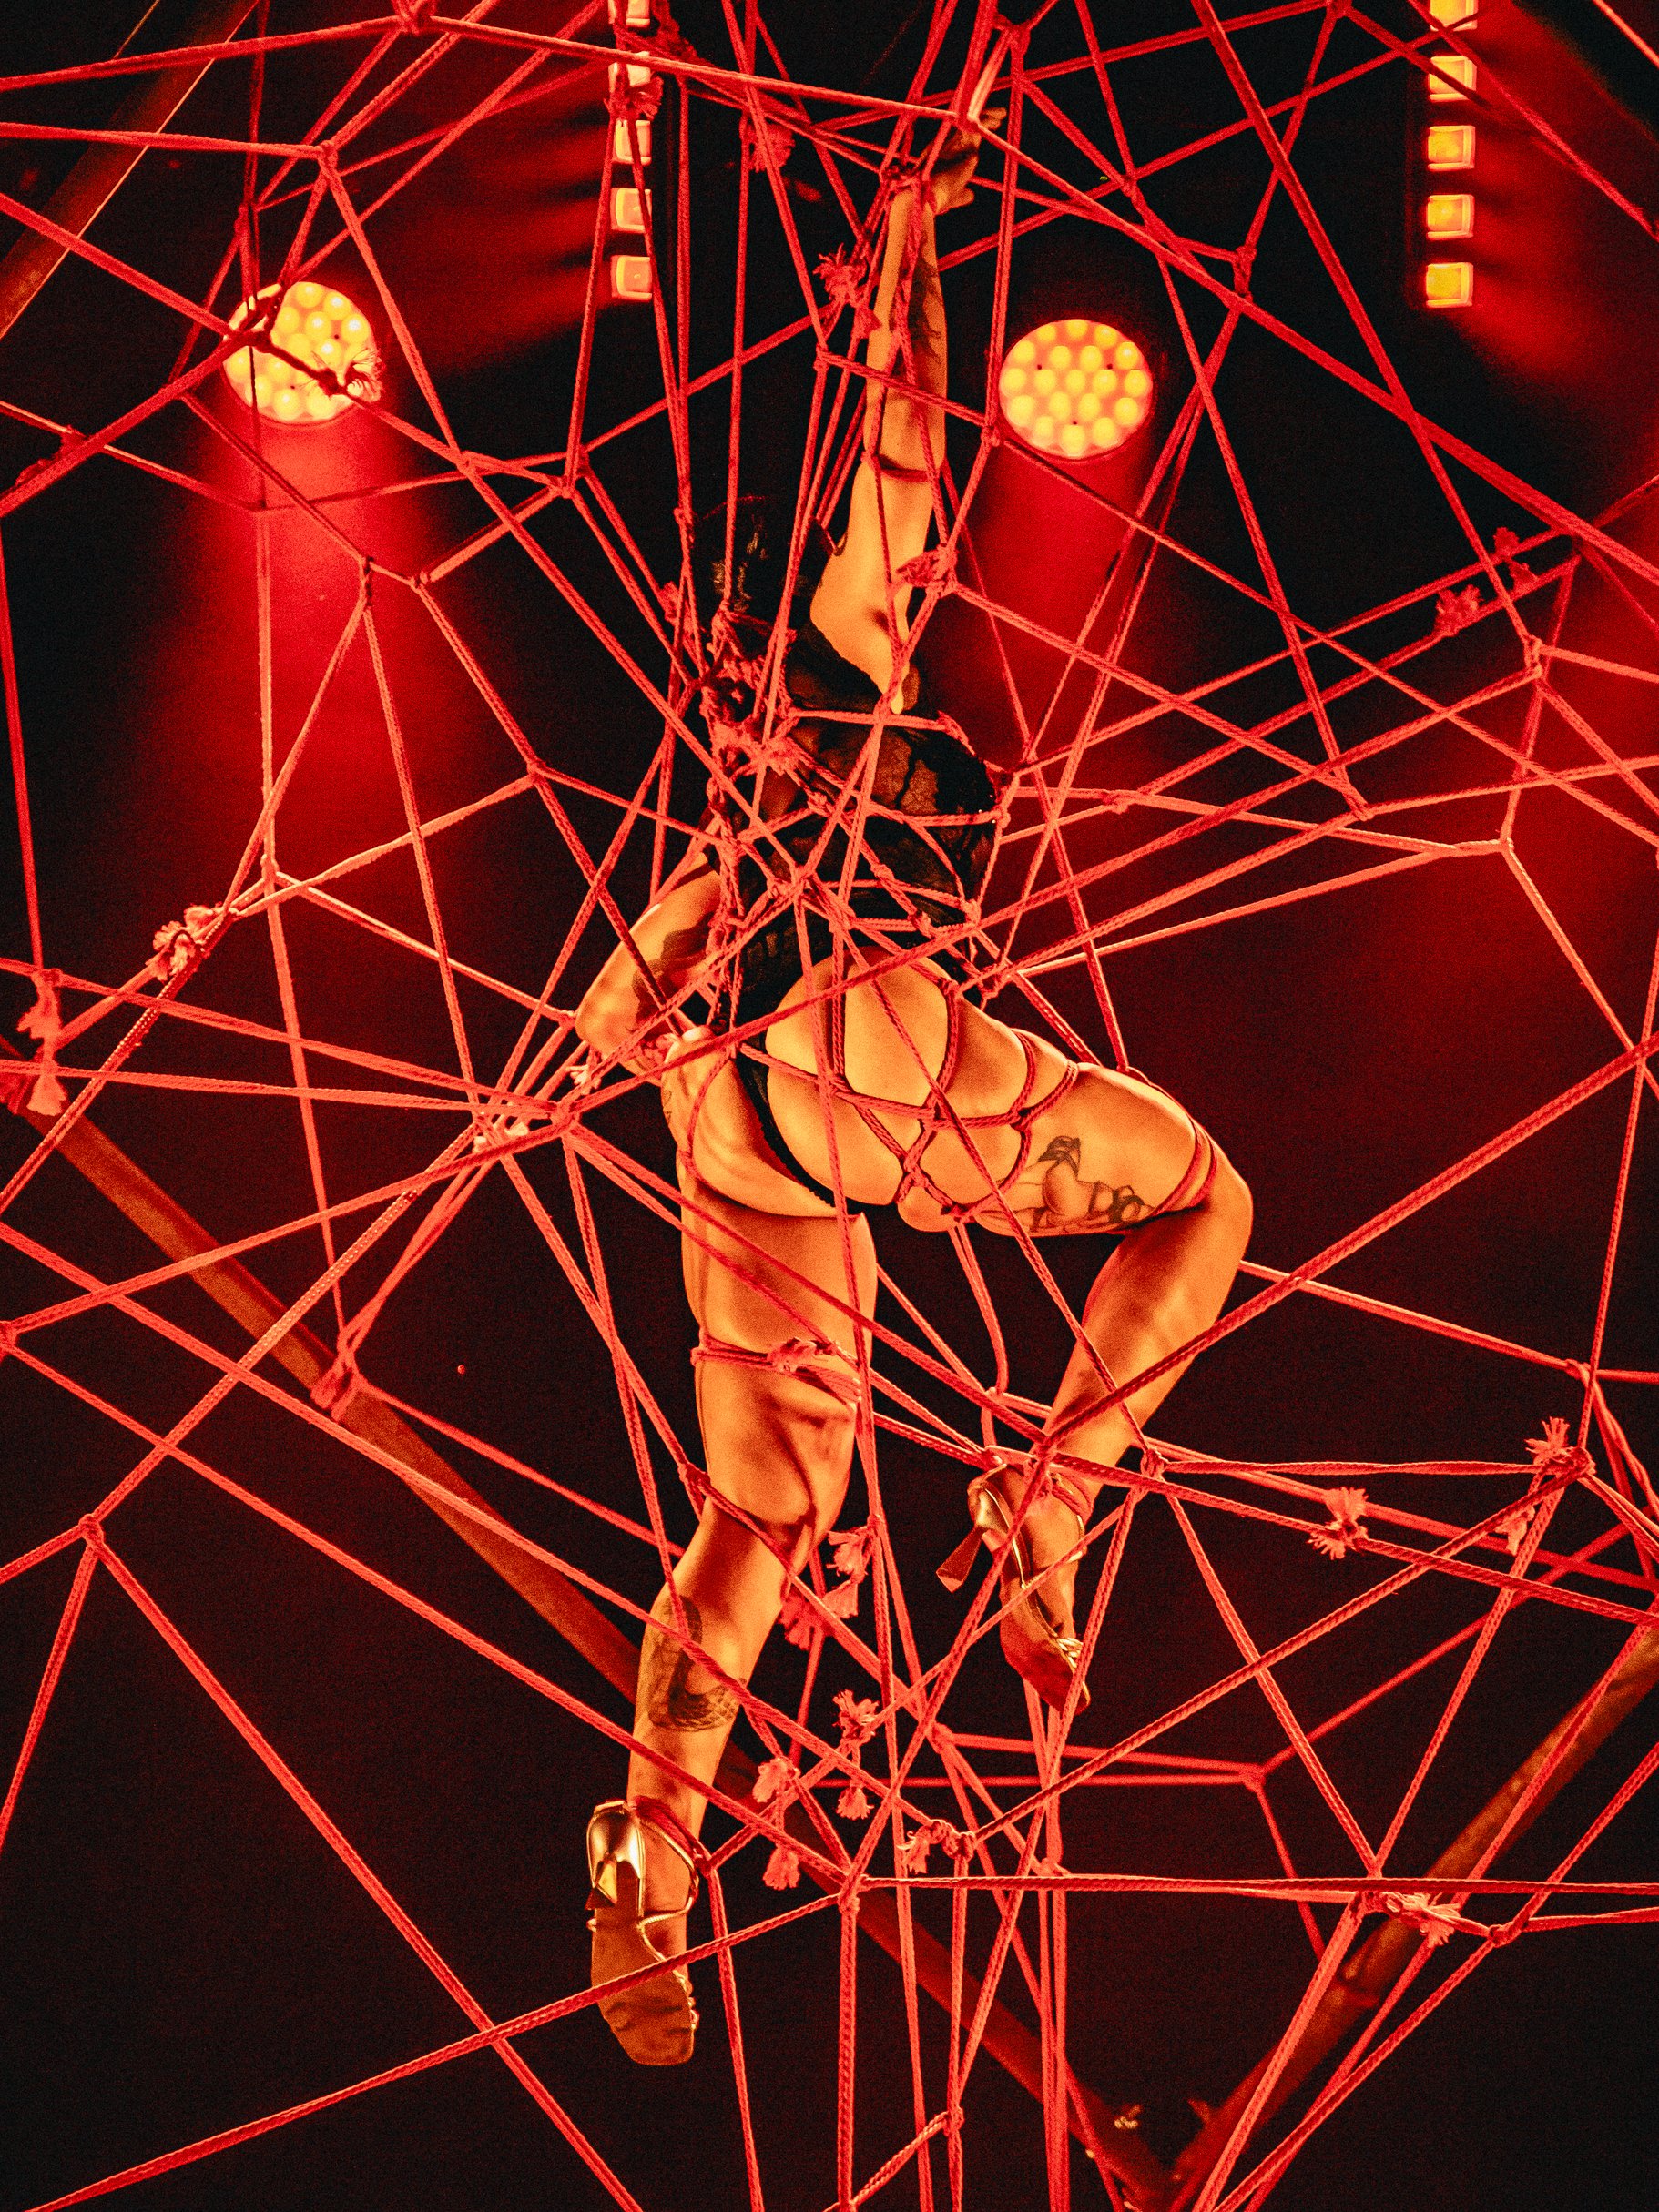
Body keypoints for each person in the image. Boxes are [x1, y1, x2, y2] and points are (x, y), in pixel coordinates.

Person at [573, 114, 1252, 2066]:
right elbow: (898, 452)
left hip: (744, 1118)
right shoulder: (843, 674)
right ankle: (1047, 1502)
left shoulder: (729, 795)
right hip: (873, 1065)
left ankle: (659, 1830)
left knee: (760, 1509)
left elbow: (630, 1018)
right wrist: (903, 243)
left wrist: (709, 1029)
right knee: (1197, 1193)